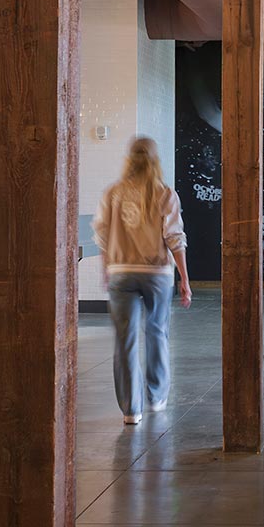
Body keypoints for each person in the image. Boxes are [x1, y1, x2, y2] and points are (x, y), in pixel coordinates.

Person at [93, 138, 191, 425]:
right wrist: (184, 278)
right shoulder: (164, 194)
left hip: (121, 271)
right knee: (157, 332)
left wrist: (106, 269)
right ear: (154, 160)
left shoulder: (112, 193)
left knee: (125, 339)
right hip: (157, 274)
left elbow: (101, 235)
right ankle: (157, 397)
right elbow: (175, 238)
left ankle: (130, 409)